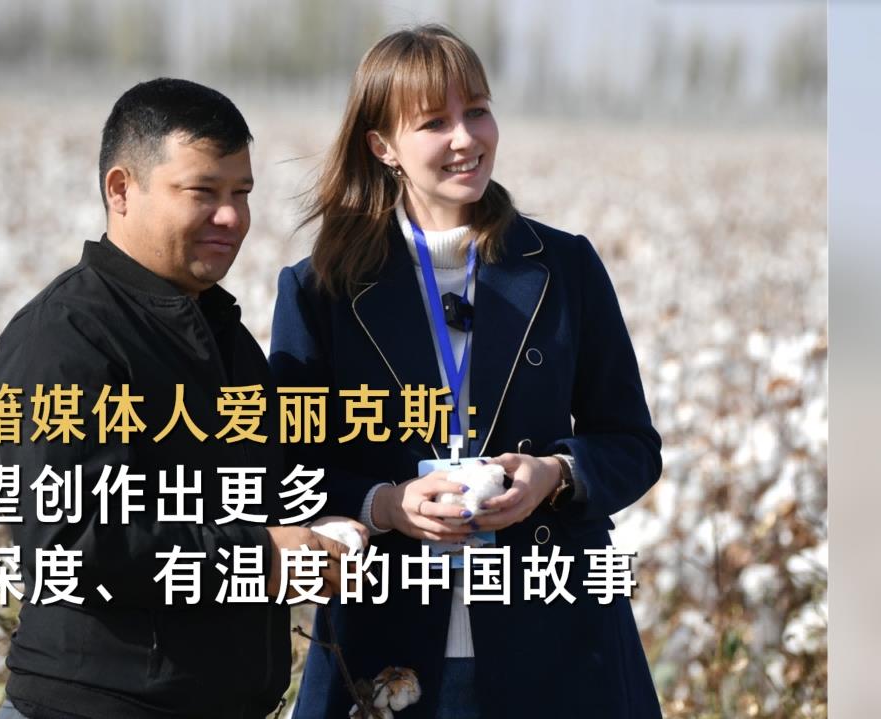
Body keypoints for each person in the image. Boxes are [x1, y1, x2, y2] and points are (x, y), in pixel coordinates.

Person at [270, 26, 663, 719]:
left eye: (476, 111)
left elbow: (632, 444)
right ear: (382, 146)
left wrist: (554, 474)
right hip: (387, 646)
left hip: (558, 641)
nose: (465, 137)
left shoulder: (564, 267)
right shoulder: (322, 289)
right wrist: (387, 503)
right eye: (433, 122)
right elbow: (287, 471)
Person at [0, 78, 365, 719]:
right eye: (203, 192)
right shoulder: (65, 337)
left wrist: (340, 526)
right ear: (121, 190)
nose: (231, 217)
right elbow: (69, 542)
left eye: (241, 194)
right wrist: (263, 558)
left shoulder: (224, 337)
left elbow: (250, 502)